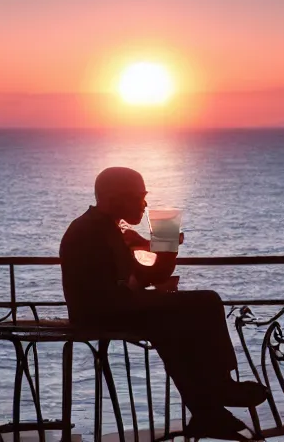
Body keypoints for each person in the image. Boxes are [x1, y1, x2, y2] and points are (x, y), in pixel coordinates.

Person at [59, 166, 266, 439]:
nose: (144, 204)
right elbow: (108, 295)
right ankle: (218, 390)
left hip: (116, 309)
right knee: (205, 302)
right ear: (113, 198)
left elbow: (148, 276)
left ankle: (208, 409)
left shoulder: (108, 229)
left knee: (174, 326)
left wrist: (163, 244)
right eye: (138, 197)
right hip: (100, 314)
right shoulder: (89, 232)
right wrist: (154, 291)